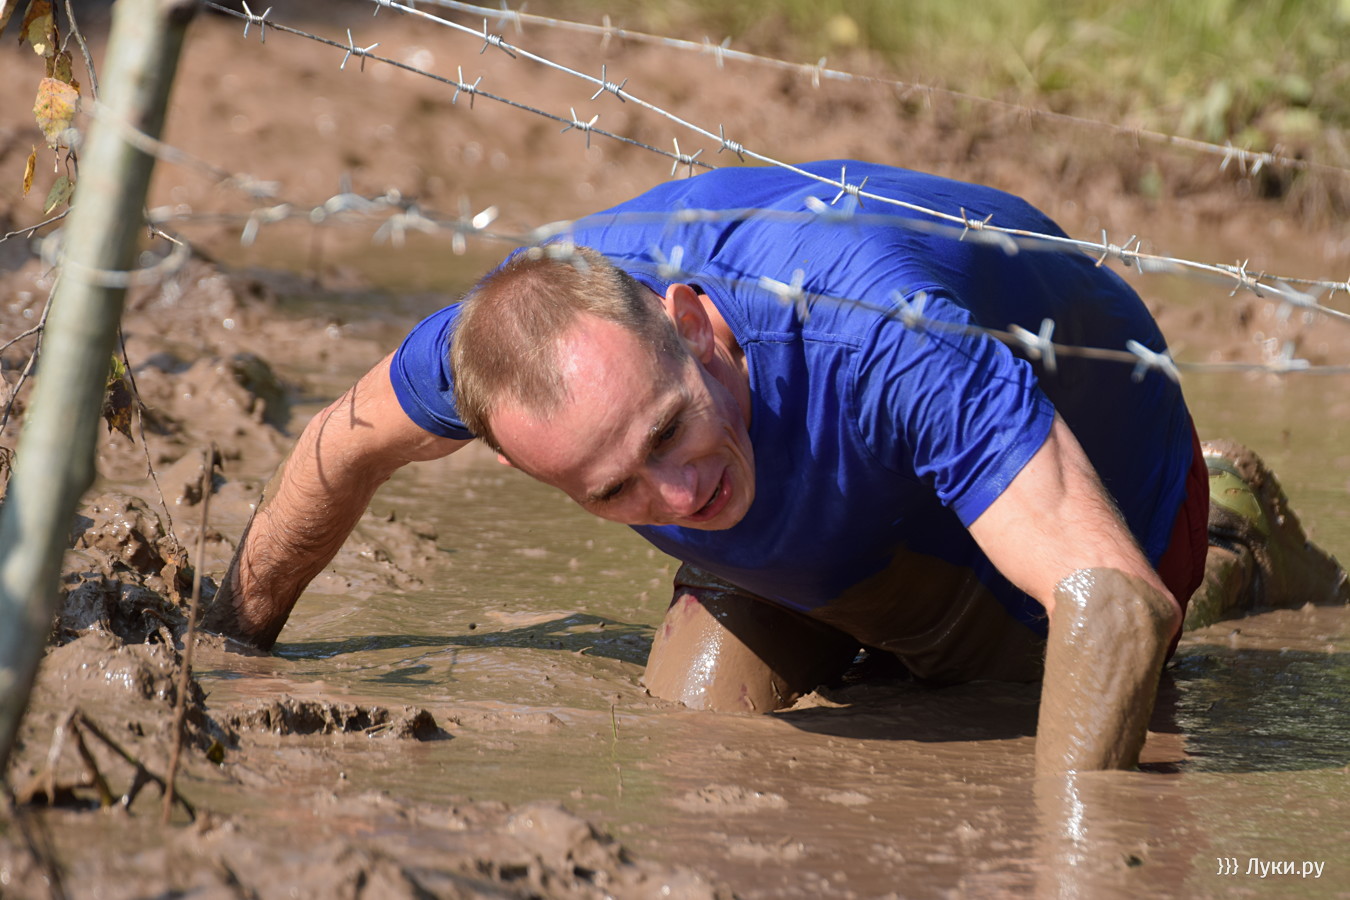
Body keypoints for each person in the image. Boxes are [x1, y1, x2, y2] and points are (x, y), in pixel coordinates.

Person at [203, 159, 1346, 773]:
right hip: (820, 494)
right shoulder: (488, 356)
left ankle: (1239, 532)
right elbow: (338, 450)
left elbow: (1112, 602)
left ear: (697, 327)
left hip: (1106, 477)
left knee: (1001, 697)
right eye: (612, 490)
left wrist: (1071, 860)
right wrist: (228, 645)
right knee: (704, 739)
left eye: (665, 434)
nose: (675, 496)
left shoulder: (882, 335)